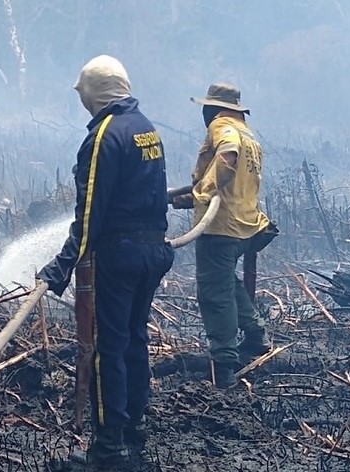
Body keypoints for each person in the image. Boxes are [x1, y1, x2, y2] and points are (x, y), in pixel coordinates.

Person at [38, 55, 174, 466]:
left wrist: (60, 268)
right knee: (134, 338)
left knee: (106, 349)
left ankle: (107, 447)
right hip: (152, 253)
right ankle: (135, 423)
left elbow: (91, 212)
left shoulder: (104, 136)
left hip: (120, 257)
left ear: (93, 94)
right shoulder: (145, 128)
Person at [174, 83, 274, 388]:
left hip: (221, 228)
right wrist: (190, 194)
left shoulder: (224, 127)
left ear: (216, 108)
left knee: (214, 294)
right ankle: (257, 334)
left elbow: (227, 156)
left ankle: (225, 369)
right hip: (247, 225)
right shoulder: (249, 134)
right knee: (226, 282)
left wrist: (203, 192)